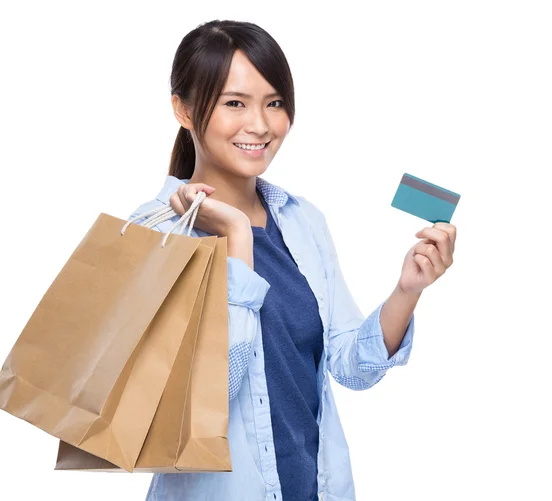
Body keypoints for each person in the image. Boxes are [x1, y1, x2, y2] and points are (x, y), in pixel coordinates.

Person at [128, 19, 457, 501]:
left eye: (275, 103)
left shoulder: (301, 221)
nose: (260, 125)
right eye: (234, 103)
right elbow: (204, 402)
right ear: (182, 109)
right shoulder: (157, 232)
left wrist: (408, 289)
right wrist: (237, 236)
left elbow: (350, 366)